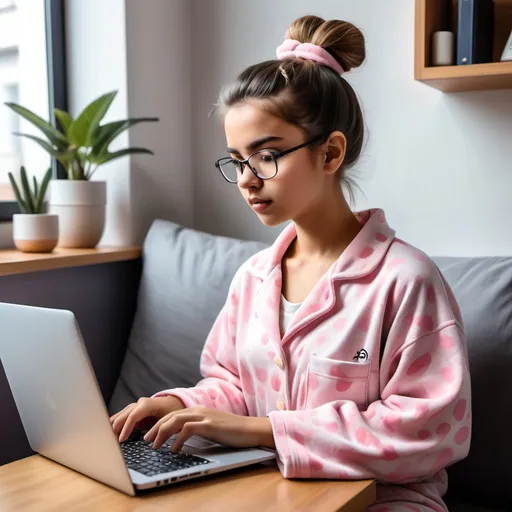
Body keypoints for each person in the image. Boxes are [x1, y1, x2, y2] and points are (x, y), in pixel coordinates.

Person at [110, 15, 471, 511]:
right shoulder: (254, 278)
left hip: (383, 501)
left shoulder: (406, 281)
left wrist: (263, 432)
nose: (246, 180)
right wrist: (179, 406)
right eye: (237, 160)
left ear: (330, 153)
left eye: (266, 156)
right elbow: (231, 387)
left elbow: (428, 430)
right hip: (268, 493)